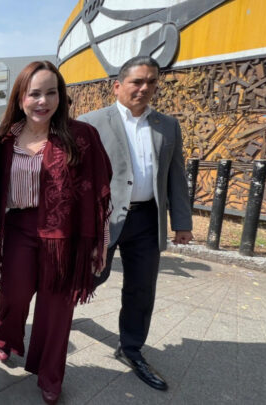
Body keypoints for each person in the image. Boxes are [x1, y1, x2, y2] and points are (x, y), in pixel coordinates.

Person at [0, 61, 112, 404]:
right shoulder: (5, 139)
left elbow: (97, 188)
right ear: (21, 97)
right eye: (34, 93)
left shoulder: (80, 135)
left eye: (51, 93)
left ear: (61, 96)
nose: (43, 101)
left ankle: (50, 375)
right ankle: (8, 336)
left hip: (65, 234)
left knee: (57, 310)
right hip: (18, 228)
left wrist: (94, 244)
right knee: (13, 295)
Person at [78, 56, 193, 391]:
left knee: (142, 288)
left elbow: (176, 175)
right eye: (137, 81)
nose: (145, 88)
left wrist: (181, 222)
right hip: (104, 218)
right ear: (118, 85)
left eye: (152, 82)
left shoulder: (167, 125)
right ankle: (54, 324)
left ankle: (130, 348)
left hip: (146, 218)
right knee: (88, 277)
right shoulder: (91, 123)